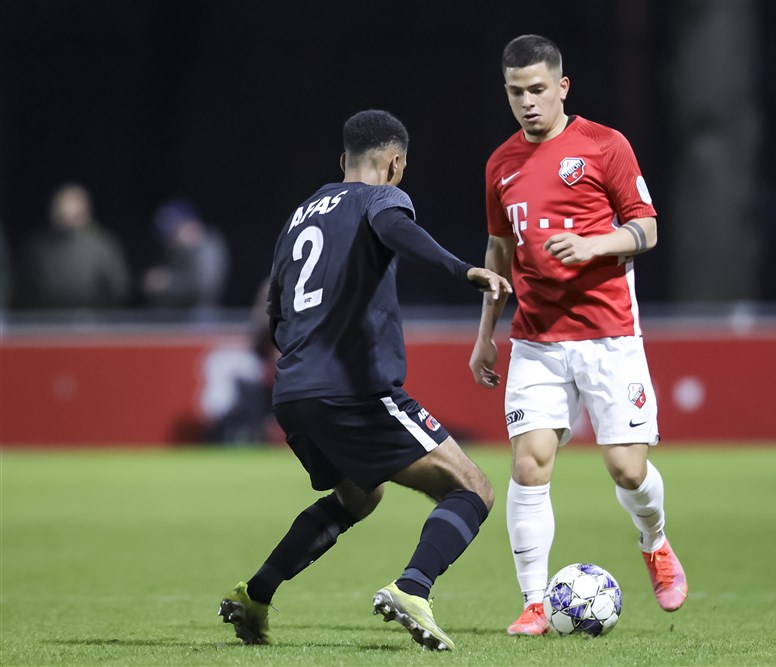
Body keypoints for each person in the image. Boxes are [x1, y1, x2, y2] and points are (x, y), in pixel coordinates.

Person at [218, 110, 511, 652]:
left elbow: (274, 311)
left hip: (293, 392)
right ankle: (412, 588)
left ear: (342, 160)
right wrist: (463, 270)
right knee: (474, 488)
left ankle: (255, 593)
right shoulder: (381, 198)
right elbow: (395, 229)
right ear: (394, 163)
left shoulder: (300, 216)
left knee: (359, 493)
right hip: (352, 390)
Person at [469, 34, 688, 636]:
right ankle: (535, 602)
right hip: (536, 340)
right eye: (515, 92)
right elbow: (498, 250)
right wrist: (486, 334)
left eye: (537, 89)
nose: (527, 102)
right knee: (529, 464)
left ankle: (654, 541)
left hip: (608, 334)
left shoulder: (604, 145)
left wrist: (594, 245)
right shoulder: (500, 164)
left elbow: (646, 229)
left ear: (562, 87)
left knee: (627, 470)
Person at [19, 183, 131, 309]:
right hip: (48, 316)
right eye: (60, 208)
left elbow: (119, 287)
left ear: (85, 209)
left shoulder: (103, 245)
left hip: (94, 316)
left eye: (73, 207)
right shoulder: (38, 247)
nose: (66, 213)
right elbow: (25, 286)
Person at [143, 199, 229, 309]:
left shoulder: (207, 248)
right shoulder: (178, 251)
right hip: (181, 314)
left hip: (203, 315)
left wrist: (167, 283)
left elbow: (204, 288)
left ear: (191, 224)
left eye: (175, 230)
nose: (171, 238)